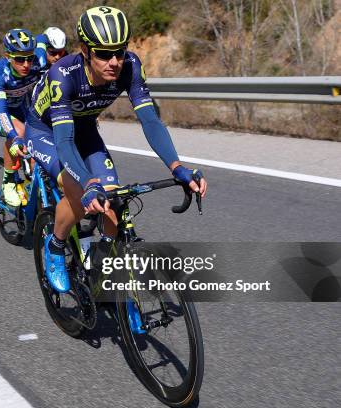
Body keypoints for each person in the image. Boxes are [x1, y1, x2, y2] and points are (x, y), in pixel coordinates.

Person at [25, 6, 208, 292]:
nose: (114, 62)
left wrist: (178, 167)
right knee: (78, 192)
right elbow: (63, 142)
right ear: (85, 50)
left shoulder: (131, 66)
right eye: (103, 54)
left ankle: (102, 262)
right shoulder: (63, 74)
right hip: (45, 132)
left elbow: (150, 119)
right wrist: (87, 182)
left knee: (112, 200)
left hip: (84, 127)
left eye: (119, 52)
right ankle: (56, 246)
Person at [0, 28, 43, 206]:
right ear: (8, 56)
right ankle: (8, 181)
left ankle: (34, 183)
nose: (26, 64)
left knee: (38, 141)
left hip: (20, 107)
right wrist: (14, 137)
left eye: (29, 58)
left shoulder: (37, 62)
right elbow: (2, 112)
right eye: (19, 59)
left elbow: (43, 38)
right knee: (20, 132)